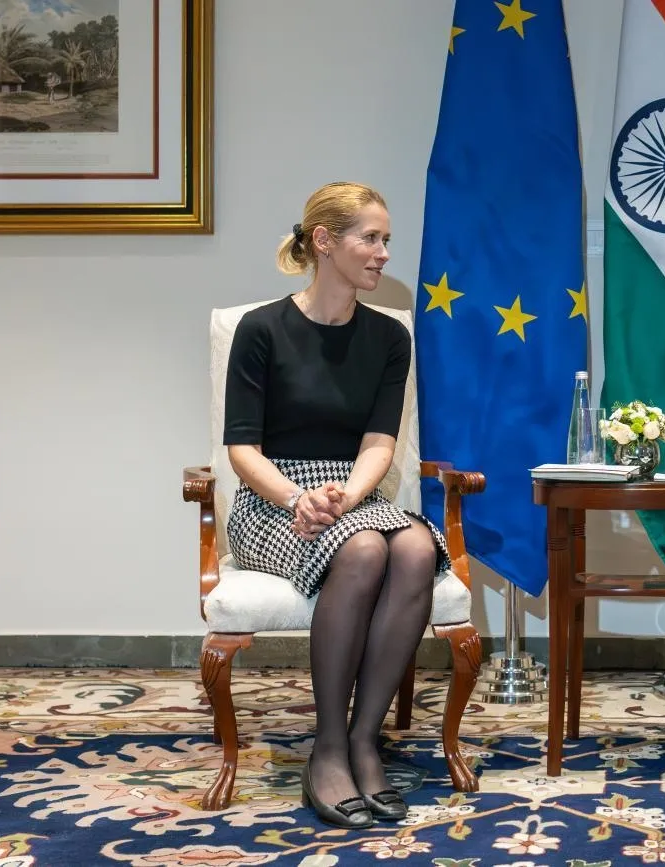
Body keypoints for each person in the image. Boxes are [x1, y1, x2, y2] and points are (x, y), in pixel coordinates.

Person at [223, 181, 449, 829]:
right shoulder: (261, 329)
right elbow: (242, 448)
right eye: (370, 239)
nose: (382, 253)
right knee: (363, 546)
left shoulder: (389, 338)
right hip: (272, 497)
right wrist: (300, 497)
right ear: (324, 241)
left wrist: (347, 494)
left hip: (352, 490)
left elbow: (380, 440)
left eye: (386, 241)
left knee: (409, 544)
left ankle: (361, 737)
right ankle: (325, 744)